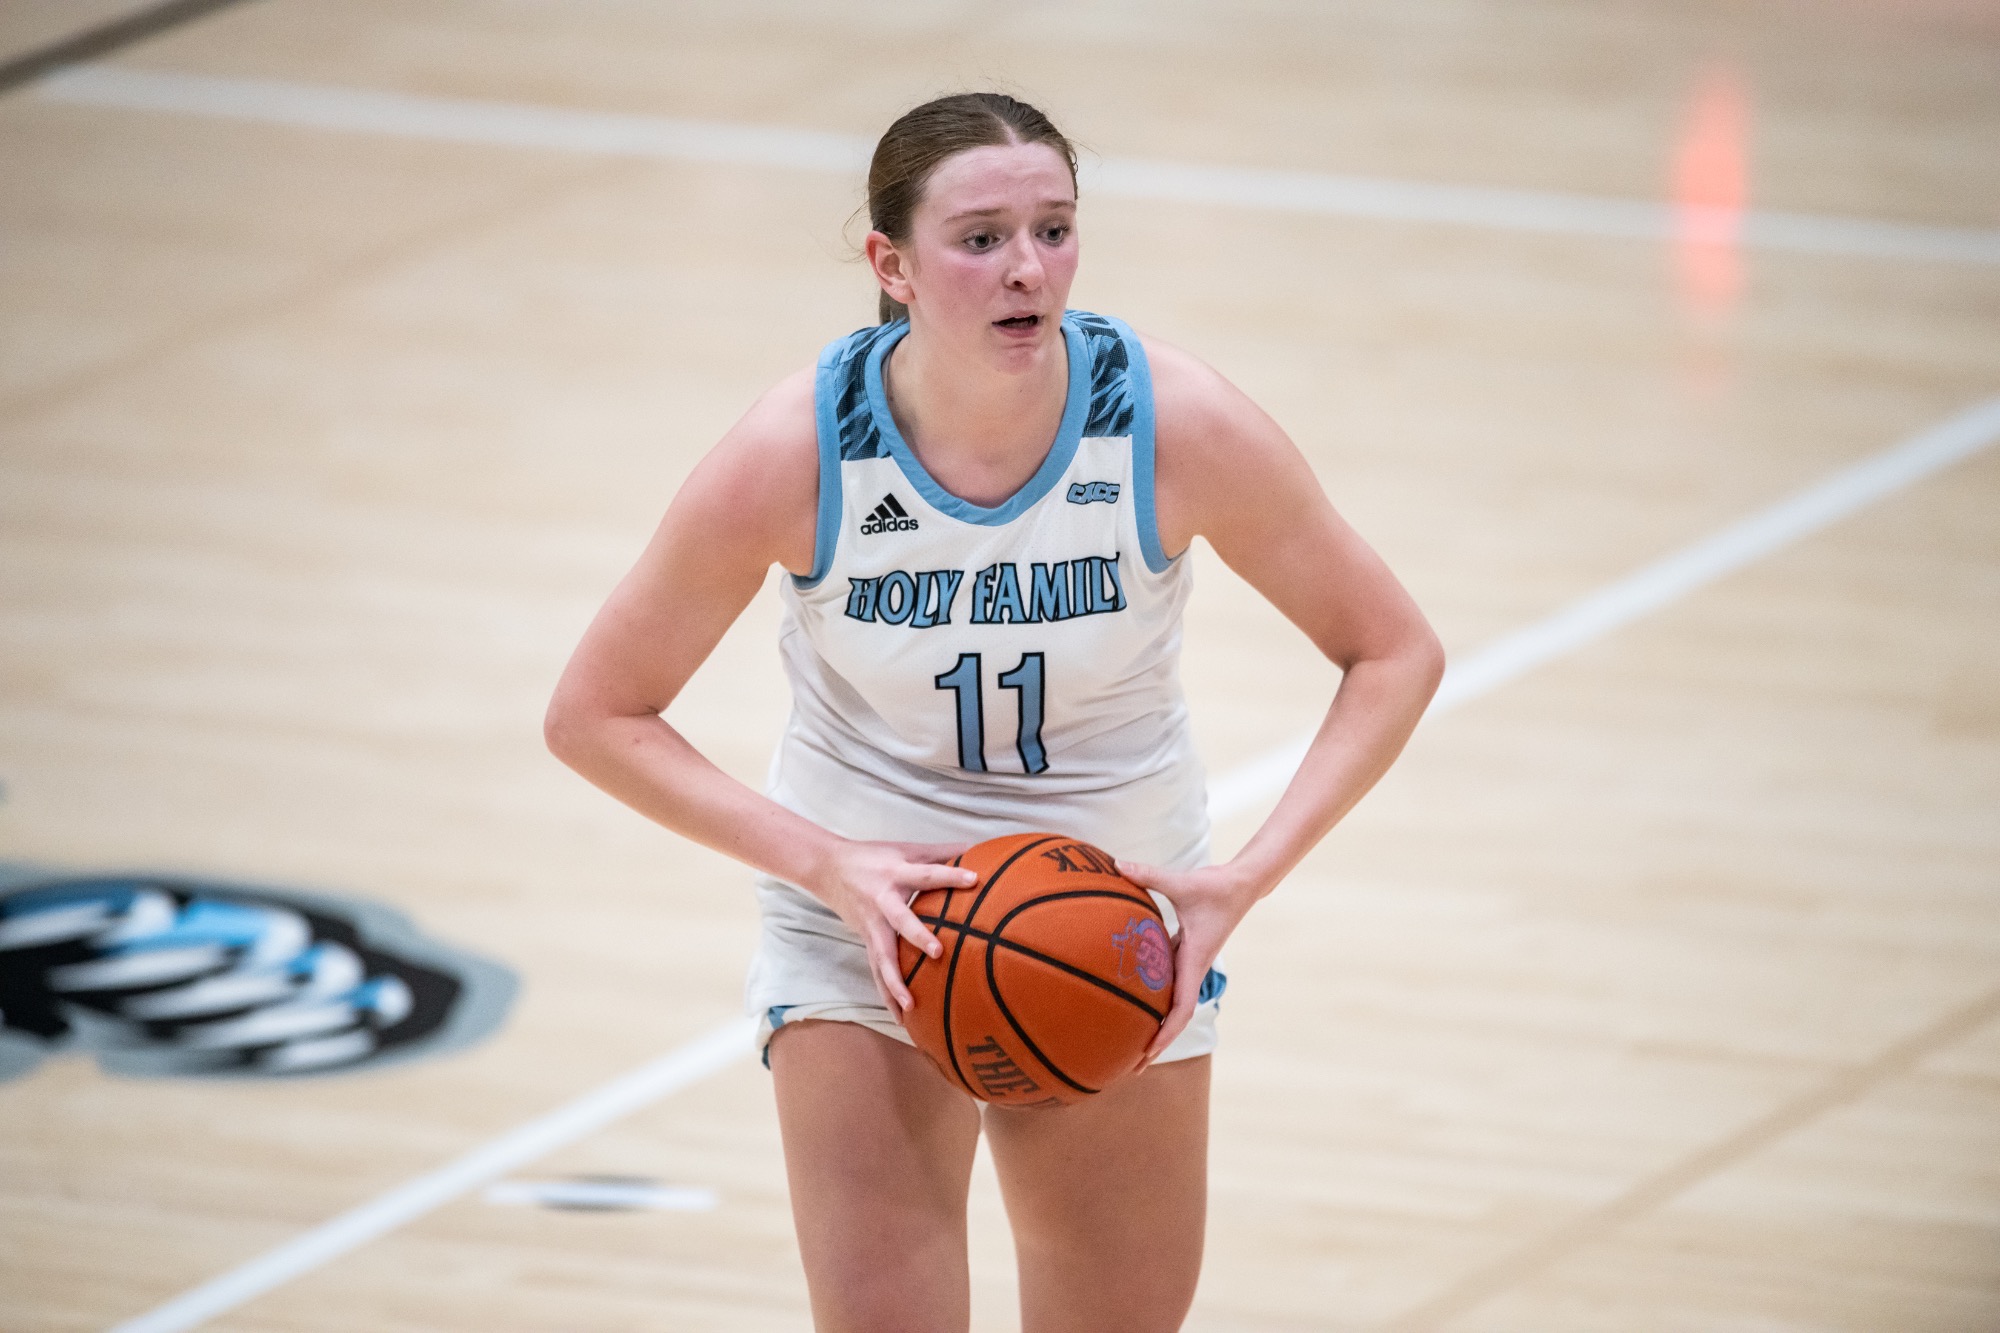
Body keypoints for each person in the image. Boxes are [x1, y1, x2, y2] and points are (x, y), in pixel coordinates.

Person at [545, 92, 1443, 1333]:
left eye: (1054, 228)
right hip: (865, 921)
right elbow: (594, 713)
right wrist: (827, 863)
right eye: (980, 238)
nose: (1028, 268)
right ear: (890, 265)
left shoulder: (1174, 423)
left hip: (1112, 913)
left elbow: (1391, 650)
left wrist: (1245, 875)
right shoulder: (797, 451)